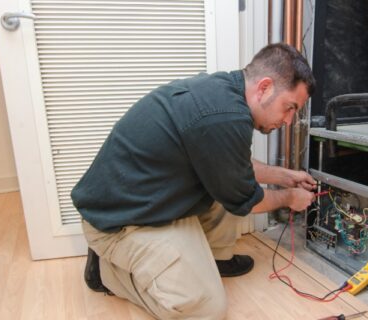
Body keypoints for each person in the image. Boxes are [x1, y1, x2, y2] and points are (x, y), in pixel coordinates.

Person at [71, 43, 317, 320]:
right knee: (205, 310)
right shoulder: (225, 118)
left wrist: (285, 176)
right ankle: (105, 273)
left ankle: (215, 259)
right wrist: (288, 198)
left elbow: (232, 162)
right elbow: (249, 201)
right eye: (289, 107)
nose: (288, 121)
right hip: (118, 223)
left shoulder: (225, 92)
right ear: (264, 88)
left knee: (226, 182)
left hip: (145, 199)